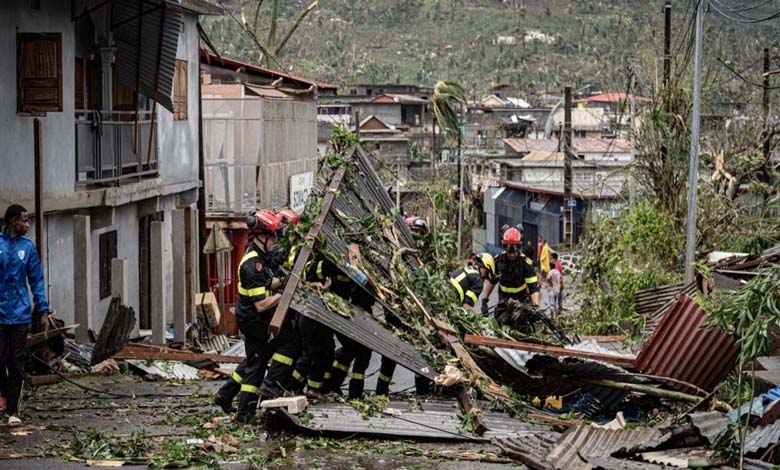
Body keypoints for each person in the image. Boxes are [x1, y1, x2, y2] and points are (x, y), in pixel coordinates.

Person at [213, 209, 287, 422]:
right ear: (262, 237)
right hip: (253, 319)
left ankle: (225, 395)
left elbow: (267, 284)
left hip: (251, 318)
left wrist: (282, 281)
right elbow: (262, 304)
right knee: (257, 364)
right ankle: (245, 413)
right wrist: (282, 296)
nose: (274, 242)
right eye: (272, 237)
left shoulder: (260, 258)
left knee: (256, 358)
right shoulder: (252, 264)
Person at [1, 204, 49, 427]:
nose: (27, 225)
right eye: (24, 220)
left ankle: (13, 409)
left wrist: (42, 309)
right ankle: (3, 398)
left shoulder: (28, 248)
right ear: (12, 221)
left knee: (16, 360)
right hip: (0, 315)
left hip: (20, 315)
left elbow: (36, 280)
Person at [482, 228, 540, 318]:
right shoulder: (498, 261)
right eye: (509, 252)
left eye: (514, 251)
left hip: (522, 301)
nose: (512, 255)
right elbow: (492, 281)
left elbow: (533, 288)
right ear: (504, 247)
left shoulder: (525, 263)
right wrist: (484, 300)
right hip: (504, 301)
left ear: (519, 247)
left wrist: (536, 307)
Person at [546, 253, 562, 319]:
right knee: (556, 304)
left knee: (551, 305)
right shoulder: (557, 272)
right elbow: (561, 278)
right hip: (557, 290)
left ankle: (552, 319)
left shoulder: (551, 272)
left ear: (550, 266)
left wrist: (550, 283)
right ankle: (557, 317)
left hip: (551, 290)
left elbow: (547, 278)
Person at [553, 252, 564, 317]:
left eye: (551, 258)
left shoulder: (556, 265)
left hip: (558, 285)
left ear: (554, 259)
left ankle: (557, 314)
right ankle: (560, 311)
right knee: (560, 298)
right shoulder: (559, 264)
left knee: (555, 299)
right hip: (561, 284)